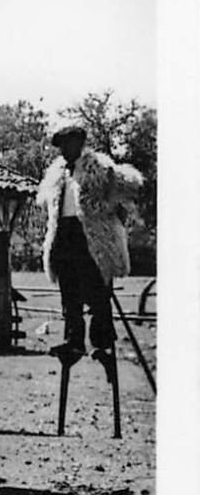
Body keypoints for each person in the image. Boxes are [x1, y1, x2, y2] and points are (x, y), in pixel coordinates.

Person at [35, 123, 143, 366]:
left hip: (90, 236)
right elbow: (50, 205)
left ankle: (101, 343)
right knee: (69, 295)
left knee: (97, 293)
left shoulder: (99, 168)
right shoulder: (58, 174)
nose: (64, 151)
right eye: (61, 147)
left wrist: (110, 206)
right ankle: (74, 341)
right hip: (64, 235)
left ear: (79, 144)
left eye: (68, 145)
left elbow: (128, 189)